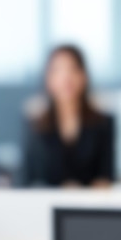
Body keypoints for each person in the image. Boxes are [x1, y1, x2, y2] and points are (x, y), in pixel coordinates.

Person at [23, 44, 114, 188]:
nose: (66, 77)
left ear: (84, 76)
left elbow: (107, 177)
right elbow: (29, 180)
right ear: (48, 79)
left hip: (88, 206)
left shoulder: (104, 122)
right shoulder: (35, 124)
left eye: (73, 69)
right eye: (58, 70)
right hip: (45, 206)